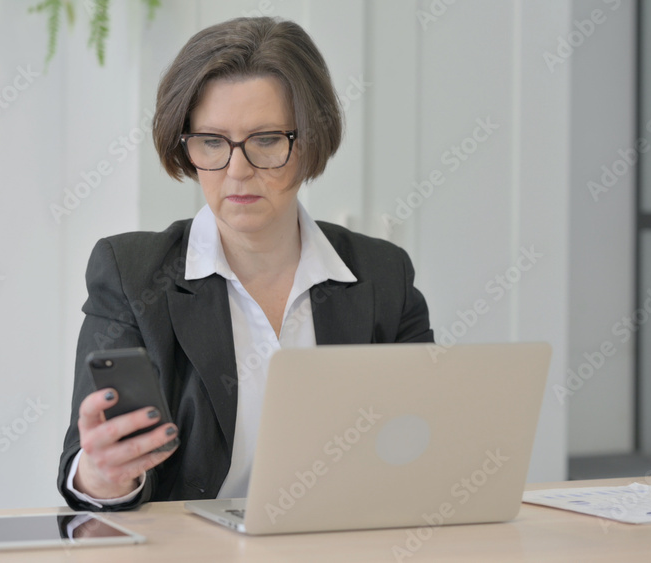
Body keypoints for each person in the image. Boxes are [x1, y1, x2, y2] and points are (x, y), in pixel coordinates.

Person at [57, 16, 433, 511]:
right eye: (212, 142)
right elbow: (88, 468)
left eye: (266, 140)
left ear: (310, 142)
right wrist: (103, 475)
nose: (237, 171)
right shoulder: (131, 274)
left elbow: (427, 447)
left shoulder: (383, 276)